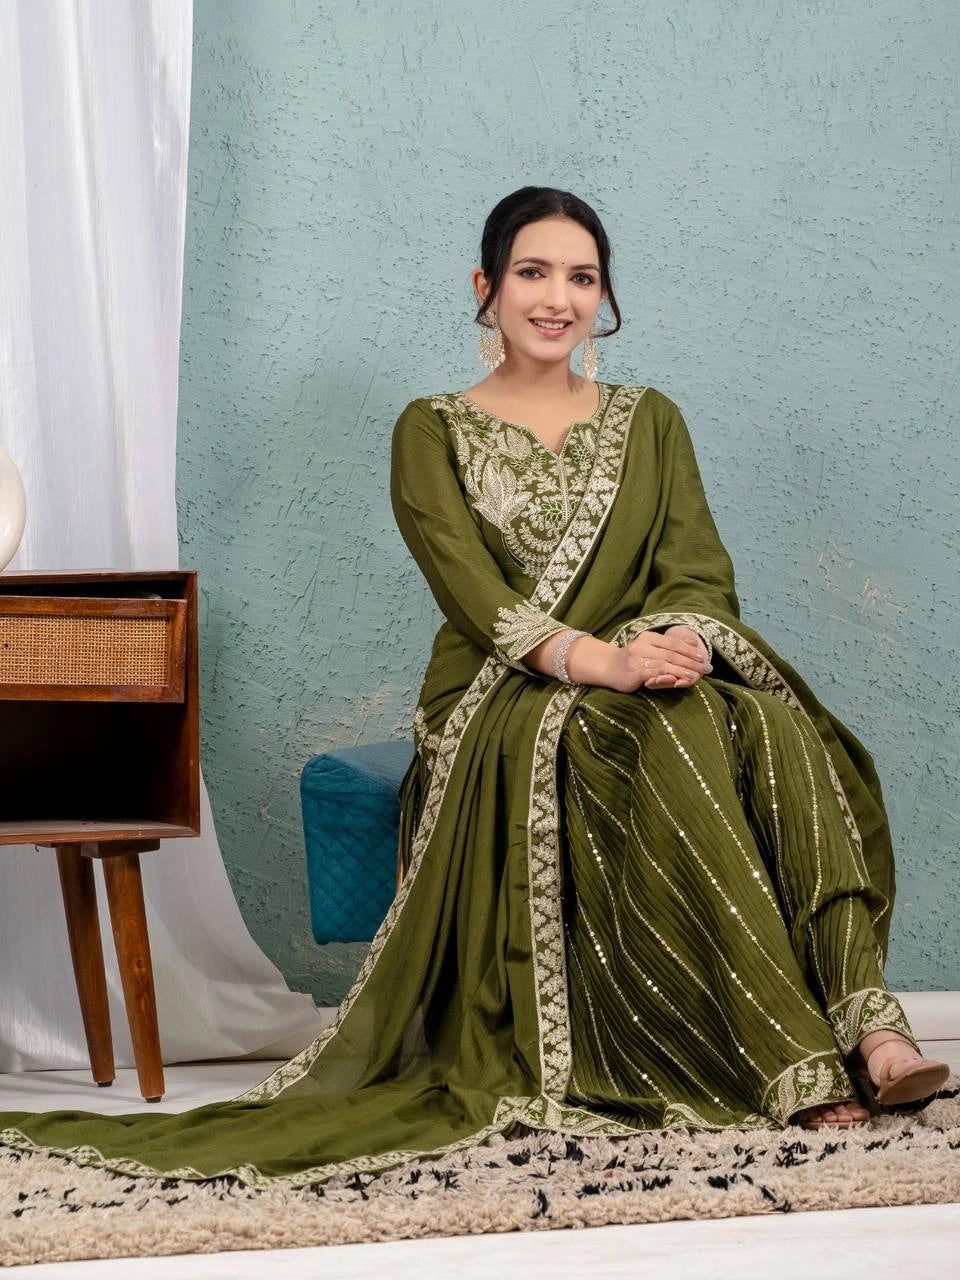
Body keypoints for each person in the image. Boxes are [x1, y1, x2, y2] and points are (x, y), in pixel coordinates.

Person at [0, 187, 948, 1188]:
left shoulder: (650, 420)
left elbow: (696, 570)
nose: (558, 297)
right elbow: (476, 597)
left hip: (640, 666)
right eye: (534, 272)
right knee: (660, 736)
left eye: (582, 277)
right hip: (508, 694)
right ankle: (780, 1051)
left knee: (767, 719)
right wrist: (604, 662)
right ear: (485, 287)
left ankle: (869, 1023)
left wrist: (675, 638)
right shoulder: (433, 429)